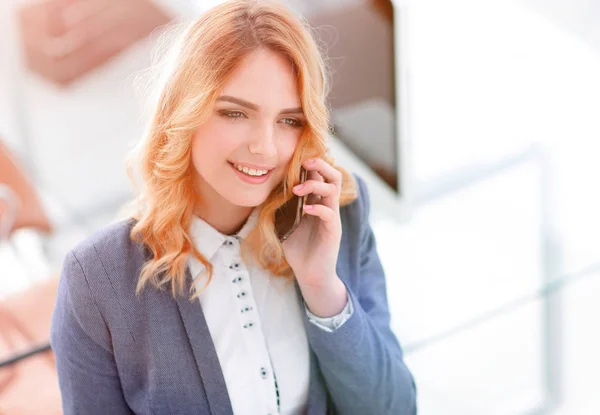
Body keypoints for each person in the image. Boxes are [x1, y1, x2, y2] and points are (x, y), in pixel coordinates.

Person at [50, 1, 417, 414]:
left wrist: (321, 287)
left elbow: (395, 407)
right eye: (235, 112)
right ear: (185, 110)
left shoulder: (338, 214)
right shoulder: (98, 279)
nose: (264, 146)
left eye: (289, 120)